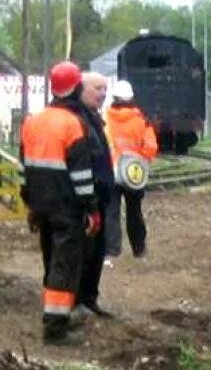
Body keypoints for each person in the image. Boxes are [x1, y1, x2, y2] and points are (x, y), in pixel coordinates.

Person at [19, 61, 100, 345]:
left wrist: (30, 204)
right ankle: (55, 328)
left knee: (51, 260)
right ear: (77, 87)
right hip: (66, 207)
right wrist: (91, 207)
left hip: (41, 205)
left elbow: (25, 169)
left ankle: (53, 317)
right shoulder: (73, 124)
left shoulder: (32, 121)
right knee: (64, 265)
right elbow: (81, 176)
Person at [71, 72, 117, 320]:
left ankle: (90, 298)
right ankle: (78, 300)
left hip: (98, 196)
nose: (102, 93)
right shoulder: (78, 120)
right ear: (82, 89)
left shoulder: (94, 118)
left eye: (105, 89)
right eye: (97, 88)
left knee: (97, 251)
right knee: (84, 252)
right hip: (84, 198)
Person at [104, 79, 158, 260]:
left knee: (111, 212)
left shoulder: (104, 119)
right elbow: (151, 148)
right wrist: (139, 158)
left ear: (114, 98)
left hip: (110, 172)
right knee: (134, 211)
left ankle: (111, 251)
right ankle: (139, 249)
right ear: (132, 98)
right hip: (133, 174)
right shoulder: (142, 121)